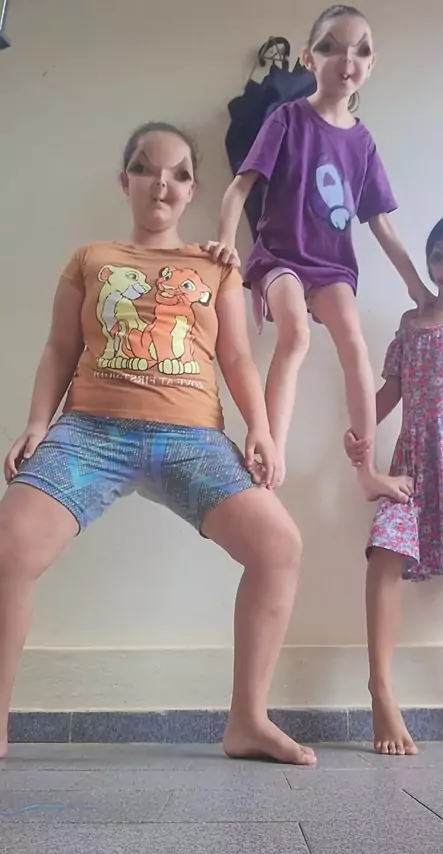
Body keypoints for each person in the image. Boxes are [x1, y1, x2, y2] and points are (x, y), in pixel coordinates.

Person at [0, 121, 316, 766]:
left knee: (279, 546)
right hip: (91, 432)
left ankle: (248, 722)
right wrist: (37, 421)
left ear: (193, 189)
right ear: (126, 182)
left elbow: (236, 356)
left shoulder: (215, 266)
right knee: (10, 545)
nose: (162, 183)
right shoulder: (90, 258)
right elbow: (60, 347)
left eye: (178, 173)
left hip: (192, 439)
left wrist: (259, 428)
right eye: (146, 168)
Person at [212, 4, 430, 498]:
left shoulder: (362, 142)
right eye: (331, 47)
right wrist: (225, 244)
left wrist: (417, 288)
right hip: (280, 257)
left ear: (371, 65)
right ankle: (269, 455)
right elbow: (240, 187)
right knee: (295, 335)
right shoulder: (287, 118)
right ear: (309, 58)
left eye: (361, 51)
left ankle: (366, 471)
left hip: (332, 266)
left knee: (355, 344)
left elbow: (382, 223)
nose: (347, 60)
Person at [345, 211, 443, 755]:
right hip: (412, 468)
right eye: (440, 255)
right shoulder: (410, 324)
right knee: (384, 555)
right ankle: (381, 693)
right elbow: (387, 396)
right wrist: (359, 435)